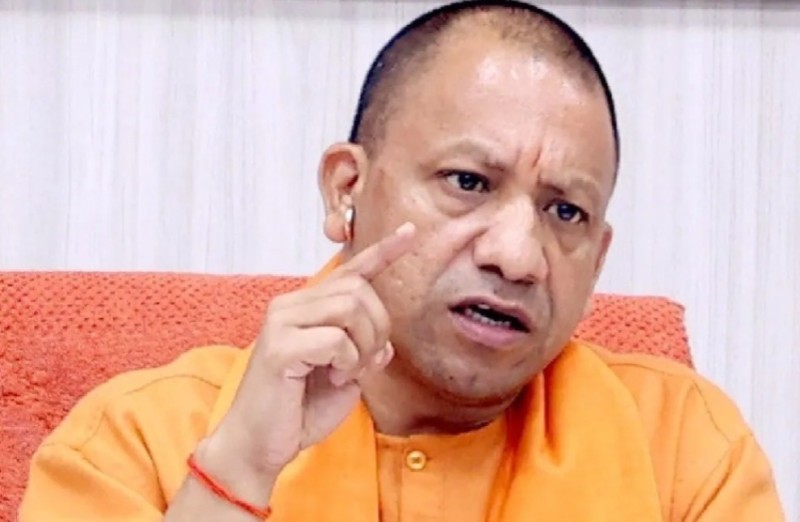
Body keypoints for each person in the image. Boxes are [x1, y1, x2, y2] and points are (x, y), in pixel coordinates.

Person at [20, 1, 784, 520]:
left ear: (599, 260)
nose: (519, 257)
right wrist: (236, 475)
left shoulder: (683, 448)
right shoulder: (140, 439)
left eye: (565, 213)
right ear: (346, 189)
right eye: (468, 183)